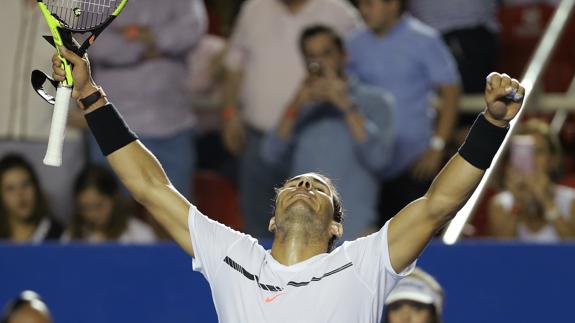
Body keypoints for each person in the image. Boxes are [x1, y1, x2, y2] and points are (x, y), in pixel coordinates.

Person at [50, 45, 524, 322]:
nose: (303, 186)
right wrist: (91, 97)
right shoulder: (232, 254)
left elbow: (438, 203)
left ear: (338, 227)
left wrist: (491, 125)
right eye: (296, 183)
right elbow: (150, 187)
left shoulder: (364, 263)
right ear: (272, 216)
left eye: (319, 189)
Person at [221, 0, 362, 239]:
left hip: (315, 138)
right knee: (258, 226)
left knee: (317, 228)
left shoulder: (340, 13)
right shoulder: (254, 9)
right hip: (258, 135)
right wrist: (229, 113)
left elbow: (359, 66)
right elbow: (234, 66)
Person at [261, 25, 394, 240]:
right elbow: (270, 155)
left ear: (344, 56)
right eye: (311, 56)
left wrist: (345, 105)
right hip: (302, 235)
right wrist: (295, 105)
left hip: (357, 233)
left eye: (327, 53)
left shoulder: (376, 102)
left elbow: (379, 161)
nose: (320, 63)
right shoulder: (300, 107)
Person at [347, 0, 460, 224]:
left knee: (417, 240)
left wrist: (437, 146)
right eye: (361, 4)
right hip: (369, 165)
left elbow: (451, 91)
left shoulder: (424, 39)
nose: (363, 10)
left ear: (393, 5)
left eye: (370, 4)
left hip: (415, 164)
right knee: (371, 246)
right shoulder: (353, 44)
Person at [87, 0, 208, 199]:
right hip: (111, 127)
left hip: (172, 127)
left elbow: (192, 29)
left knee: (175, 221)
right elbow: (92, 42)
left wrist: (136, 36)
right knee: (112, 221)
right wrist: (148, 46)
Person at [0, 0, 85, 223]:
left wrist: (87, 110)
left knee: (58, 222)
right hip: (1, 135)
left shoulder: (74, 6)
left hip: (55, 138)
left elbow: (101, 61)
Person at [488, 119, 575, 242]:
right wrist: (517, 202)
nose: (532, 159)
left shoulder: (571, 201)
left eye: (539, 151)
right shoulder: (500, 204)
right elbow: (503, 252)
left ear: (553, 159)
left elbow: (571, 247)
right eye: (526, 152)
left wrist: (547, 201)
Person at [62, 165, 157, 243]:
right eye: (84, 208)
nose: (91, 214)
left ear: (114, 198)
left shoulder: (140, 235)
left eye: (98, 205)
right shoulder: (71, 237)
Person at [0, 154, 62, 242]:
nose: (20, 194)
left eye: (25, 185)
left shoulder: (60, 236)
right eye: (10, 189)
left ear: (36, 188)